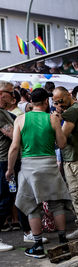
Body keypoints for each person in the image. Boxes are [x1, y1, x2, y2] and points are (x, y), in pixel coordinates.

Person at [6, 88, 71, 258]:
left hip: (28, 168)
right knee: (56, 204)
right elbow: (62, 144)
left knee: (32, 207)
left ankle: (38, 246)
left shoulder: (20, 119)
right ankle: (63, 242)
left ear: (31, 102)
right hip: (49, 164)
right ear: (45, 102)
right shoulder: (52, 118)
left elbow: (14, 148)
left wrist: (10, 169)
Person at [52, 86, 78, 239]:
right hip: (71, 160)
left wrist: (56, 119)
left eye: (61, 101)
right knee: (75, 197)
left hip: (75, 161)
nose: (59, 105)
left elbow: (61, 139)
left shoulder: (74, 110)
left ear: (69, 95)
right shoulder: (70, 110)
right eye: (56, 102)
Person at [0, 81, 17, 252]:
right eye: (10, 93)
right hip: (3, 161)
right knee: (5, 198)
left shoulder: (4, 112)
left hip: (5, 160)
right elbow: (12, 134)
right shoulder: (0, 113)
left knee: (9, 196)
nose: (12, 97)